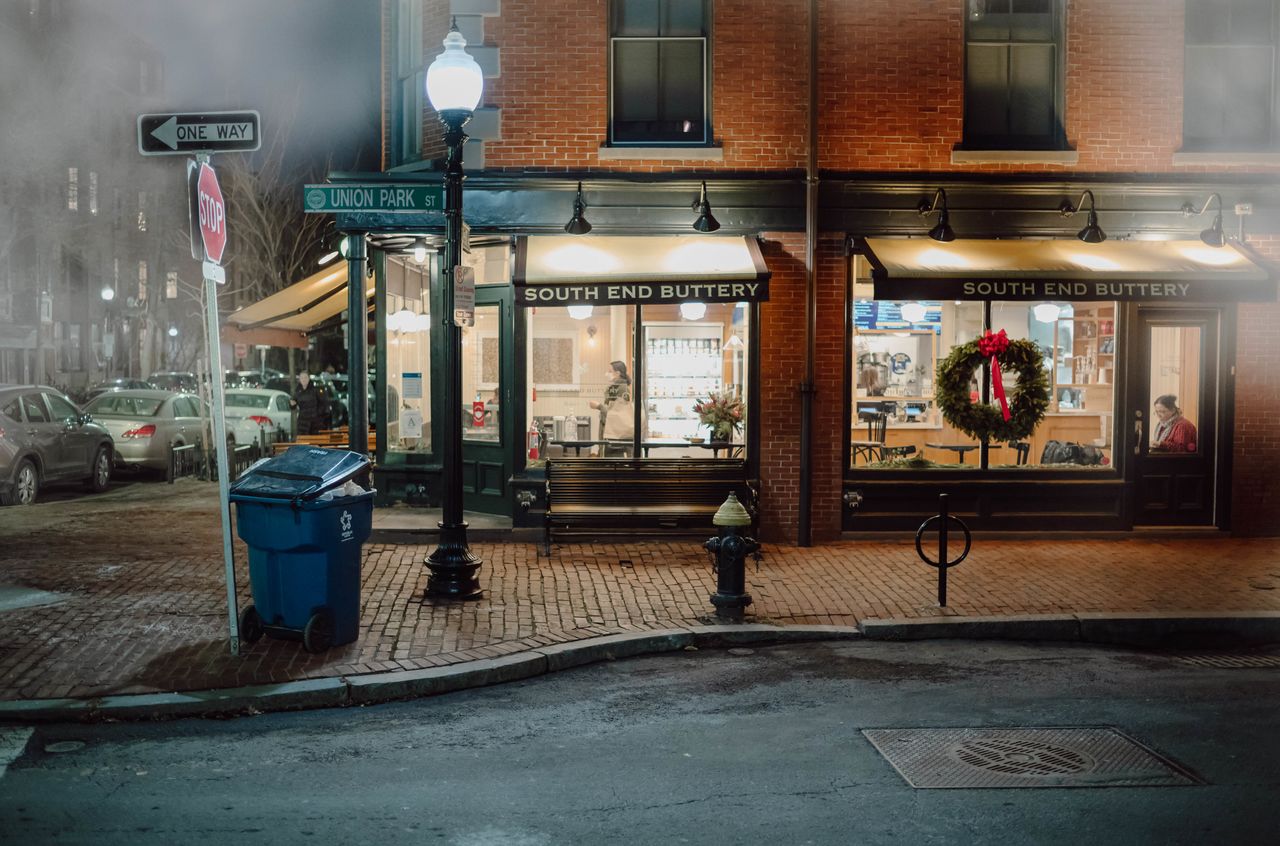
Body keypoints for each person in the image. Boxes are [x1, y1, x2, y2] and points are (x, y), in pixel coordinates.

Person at [589, 360, 632, 455]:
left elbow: (619, 414)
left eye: (609, 371)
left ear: (617, 373)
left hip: (616, 439)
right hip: (610, 435)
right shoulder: (614, 388)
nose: (606, 374)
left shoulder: (622, 389)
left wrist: (599, 406)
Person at [290, 371, 330, 436]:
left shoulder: (315, 390)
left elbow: (324, 405)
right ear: (299, 379)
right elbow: (293, 405)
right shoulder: (298, 391)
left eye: (305, 377)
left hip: (315, 424)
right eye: (302, 378)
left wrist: (318, 415)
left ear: (309, 378)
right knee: (303, 443)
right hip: (302, 424)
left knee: (314, 443)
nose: (303, 379)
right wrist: (292, 404)